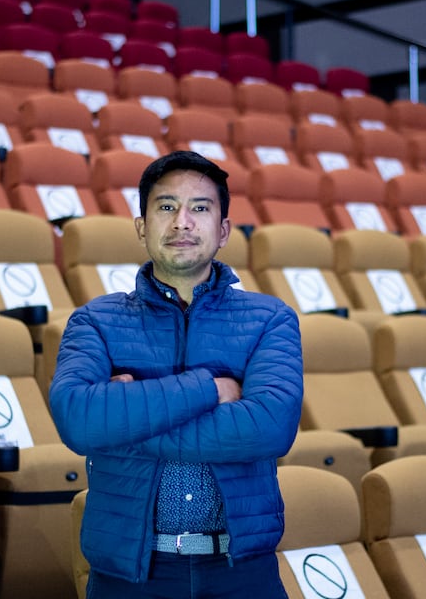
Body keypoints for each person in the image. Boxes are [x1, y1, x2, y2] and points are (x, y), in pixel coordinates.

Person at [50, 150, 303, 597]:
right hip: (130, 575)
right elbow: (77, 420)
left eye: (200, 208)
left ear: (223, 230)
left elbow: (270, 429)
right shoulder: (95, 321)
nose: (182, 222)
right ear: (142, 226)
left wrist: (124, 421)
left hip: (241, 572)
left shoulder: (270, 319)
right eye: (166, 207)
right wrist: (208, 388)